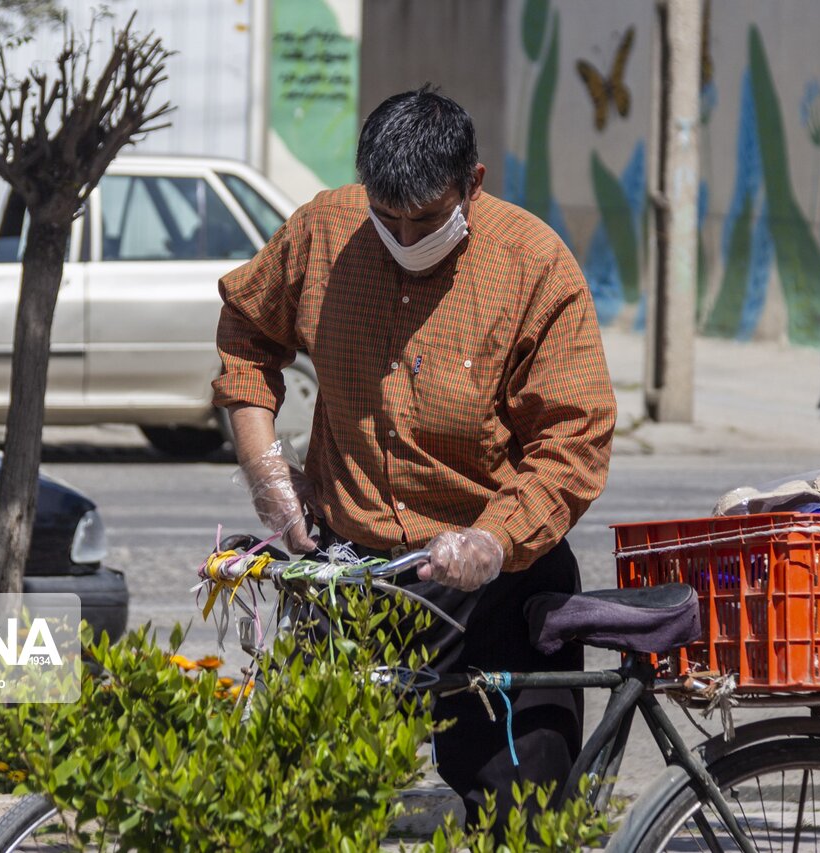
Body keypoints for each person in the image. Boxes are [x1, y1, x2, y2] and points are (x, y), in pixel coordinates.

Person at [212, 85, 617, 832]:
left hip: (497, 585)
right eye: (385, 215)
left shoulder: (534, 266)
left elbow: (574, 438)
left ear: (473, 185)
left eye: (425, 219)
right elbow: (245, 335)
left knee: (521, 818)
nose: (403, 235)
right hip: (352, 578)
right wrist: (268, 473)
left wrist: (493, 540)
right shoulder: (321, 232)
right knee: (306, 811)